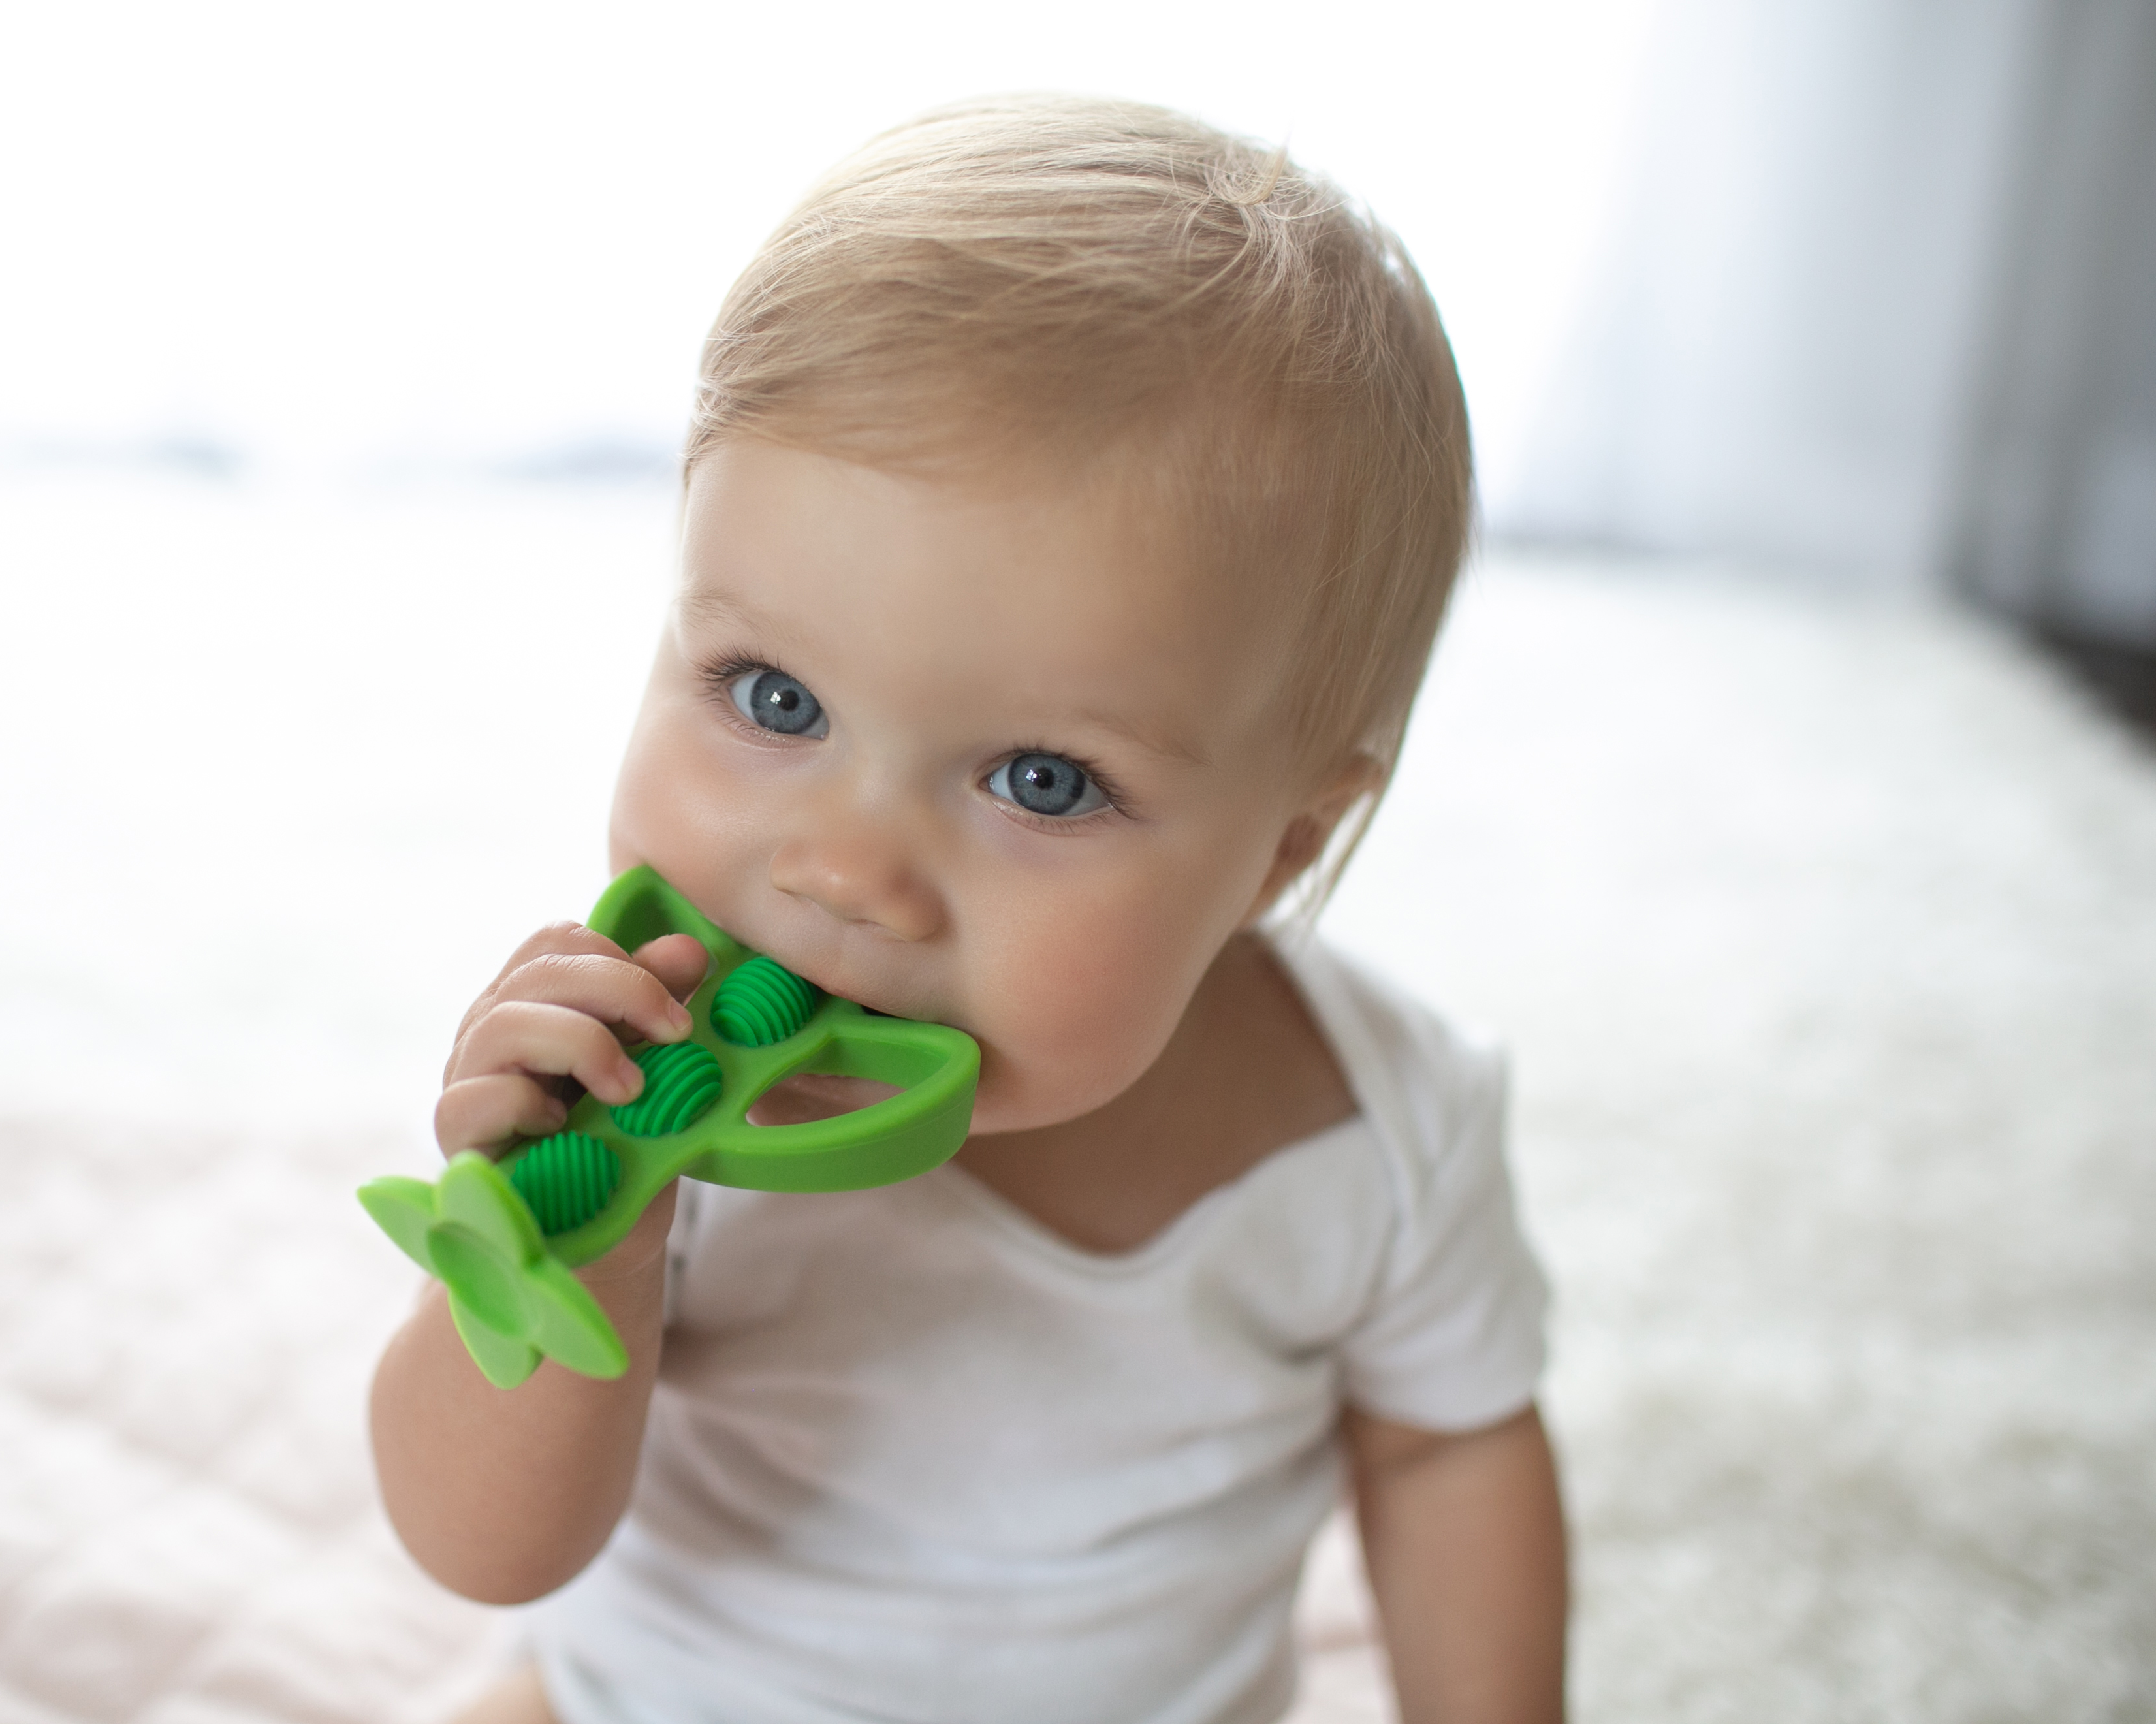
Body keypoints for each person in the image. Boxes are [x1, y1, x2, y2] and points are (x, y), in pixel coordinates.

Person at [372, 94, 1568, 1724]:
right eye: (775, 696)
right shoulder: (647, 1073)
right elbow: (483, 1549)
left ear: (1280, 849)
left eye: (1041, 783)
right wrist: (583, 1237)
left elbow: (1444, 1457)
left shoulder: (1383, 1134)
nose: (843, 873)